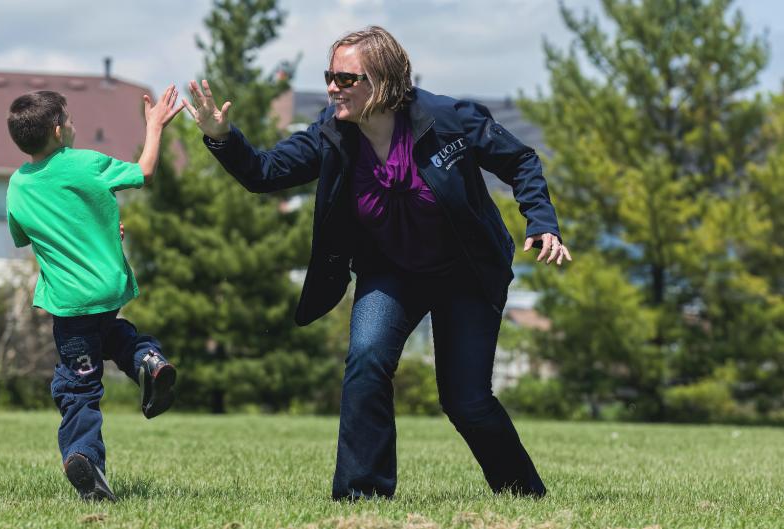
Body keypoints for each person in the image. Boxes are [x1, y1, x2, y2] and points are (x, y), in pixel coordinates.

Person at [183, 26, 571, 500]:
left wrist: (541, 222)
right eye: (330, 77)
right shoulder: (331, 135)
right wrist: (222, 138)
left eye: (346, 79)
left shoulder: (448, 119)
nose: (332, 87)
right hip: (391, 273)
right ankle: (362, 494)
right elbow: (266, 173)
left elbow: (521, 161)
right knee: (366, 360)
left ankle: (522, 493)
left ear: (383, 82)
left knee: (465, 400)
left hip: (465, 273)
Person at [5, 86, 184, 501]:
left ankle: (85, 458)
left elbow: (24, 235)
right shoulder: (86, 163)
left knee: (78, 388)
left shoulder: (17, 186)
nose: (72, 125)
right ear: (57, 130)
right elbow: (145, 171)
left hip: (70, 304)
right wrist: (153, 126)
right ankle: (147, 360)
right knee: (114, 335)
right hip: (107, 290)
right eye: (68, 120)